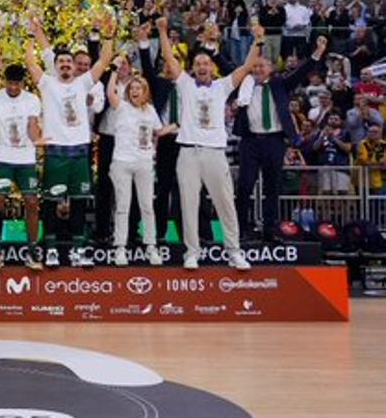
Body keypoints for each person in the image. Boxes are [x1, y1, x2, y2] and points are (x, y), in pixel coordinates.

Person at [157, 16, 259, 270]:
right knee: (188, 204)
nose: (202, 66)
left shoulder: (222, 86)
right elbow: (170, 59)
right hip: (188, 153)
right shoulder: (186, 84)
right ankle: (192, 252)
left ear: (212, 67)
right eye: (198, 63)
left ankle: (234, 252)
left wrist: (259, 40)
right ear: (193, 68)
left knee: (225, 202)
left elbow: (246, 67)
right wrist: (161, 31)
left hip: (215, 153)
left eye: (206, 62)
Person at [25, 14, 116, 268]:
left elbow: (105, 59)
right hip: (55, 152)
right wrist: (33, 36)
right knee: (52, 201)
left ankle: (78, 250)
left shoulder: (84, 82)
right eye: (61, 61)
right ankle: (51, 249)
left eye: (68, 61)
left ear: (74, 66)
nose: (65, 64)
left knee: (78, 201)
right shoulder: (47, 83)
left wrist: (108, 35)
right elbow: (32, 62)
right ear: (56, 66)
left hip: (79, 152)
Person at [234, 33, 327, 242]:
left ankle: (269, 231)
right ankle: (239, 230)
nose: (257, 70)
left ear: (270, 69)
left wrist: (317, 53)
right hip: (250, 142)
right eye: (254, 67)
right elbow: (225, 66)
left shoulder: (280, 85)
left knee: (272, 188)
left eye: (262, 66)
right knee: (245, 186)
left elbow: (301, 71)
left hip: (274, 141)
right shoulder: (243, 85)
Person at [105, 72, 174, 266]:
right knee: (123, 206)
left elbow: (158, 131)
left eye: (139, 88)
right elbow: (111, 94)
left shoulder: (150, 110)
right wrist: (114, 72)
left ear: (145, 92)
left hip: (144, 162)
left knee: (147, 206)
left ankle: (151, 247)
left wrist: (175, 126)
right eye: (132, 89)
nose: (135, 91)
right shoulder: (122, 107)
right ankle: (120, 248)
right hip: (122, 162)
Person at [0, 64, 44, 270]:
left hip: (25, 158)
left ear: (23, 82)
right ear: (5, 81)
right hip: (1, 156)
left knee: (32, 201)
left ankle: (33, 249)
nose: (14, 87)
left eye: (17, 83)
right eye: (10, 83)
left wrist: (38, 139)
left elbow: (33, 126)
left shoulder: (32, 100)